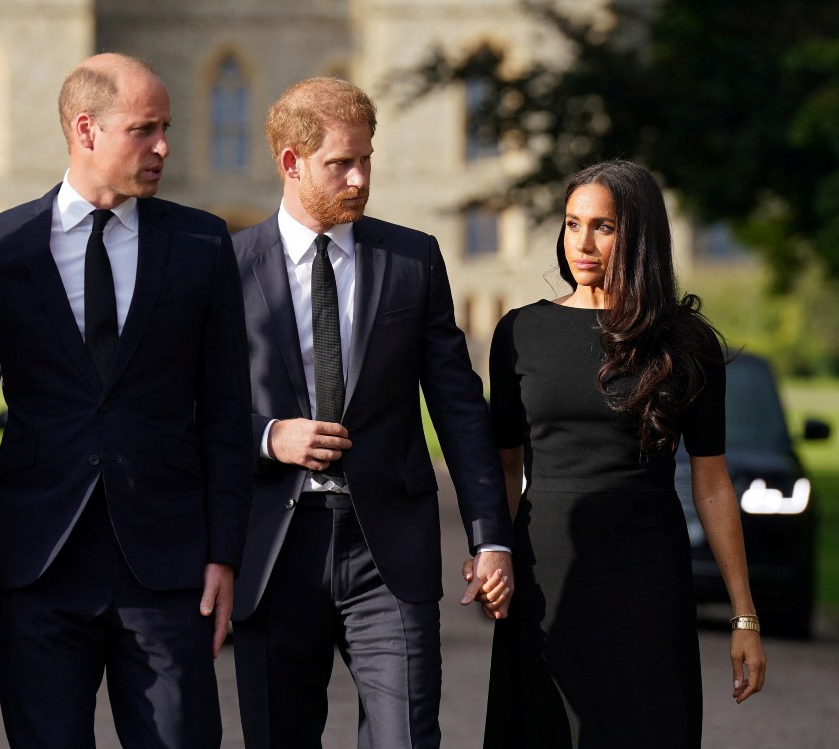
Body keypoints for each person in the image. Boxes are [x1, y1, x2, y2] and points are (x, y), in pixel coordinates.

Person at [0, 53, 250, 748]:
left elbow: (227, 414)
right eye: (145, 129)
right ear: (86, 130)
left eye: (166, 128)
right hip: (39, 566)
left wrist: (225, 555)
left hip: (169, 569)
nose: (164, 147)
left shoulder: (203, 243)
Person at [229, 76, 515, 749]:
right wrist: (270, 437)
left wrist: (489, 535)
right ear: (291, 163)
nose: (358, 179)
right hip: (274, 550)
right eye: (339, 164)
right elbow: (187, 410)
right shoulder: (226, 267)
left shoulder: (411, 259)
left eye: (366, 160)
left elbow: (458, 407)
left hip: (387, 552)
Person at [480, 159, 766, 747]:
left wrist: (744, 617)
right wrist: (493, 552)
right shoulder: (519, 332)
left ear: (638, 236)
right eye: (572, 223)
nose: (582, 242)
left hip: (648, 580)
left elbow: (712, 483)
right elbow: (506, 465)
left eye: (603, 227)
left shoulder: (687, 343)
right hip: (546, 575)